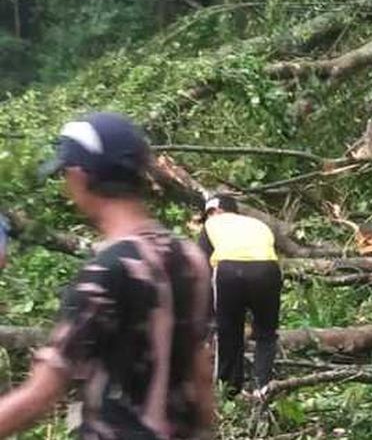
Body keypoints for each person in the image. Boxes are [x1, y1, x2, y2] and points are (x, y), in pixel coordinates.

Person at [0, 112, 214, 439]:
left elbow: (39, 396)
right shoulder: (191, 258)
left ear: (79, 176)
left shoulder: (105, 272)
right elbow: (201, 378)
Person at [198, 194, 282, 397]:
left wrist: (207, 313)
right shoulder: (257, 224)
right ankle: (261, 388)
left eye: (212, 212)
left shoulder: (211, 226)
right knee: (266, 333)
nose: (212, 217)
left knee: (228, 331)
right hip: (268, 270)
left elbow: (202, 267)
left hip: (229, 271)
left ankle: (230, 390)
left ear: (218, 212)